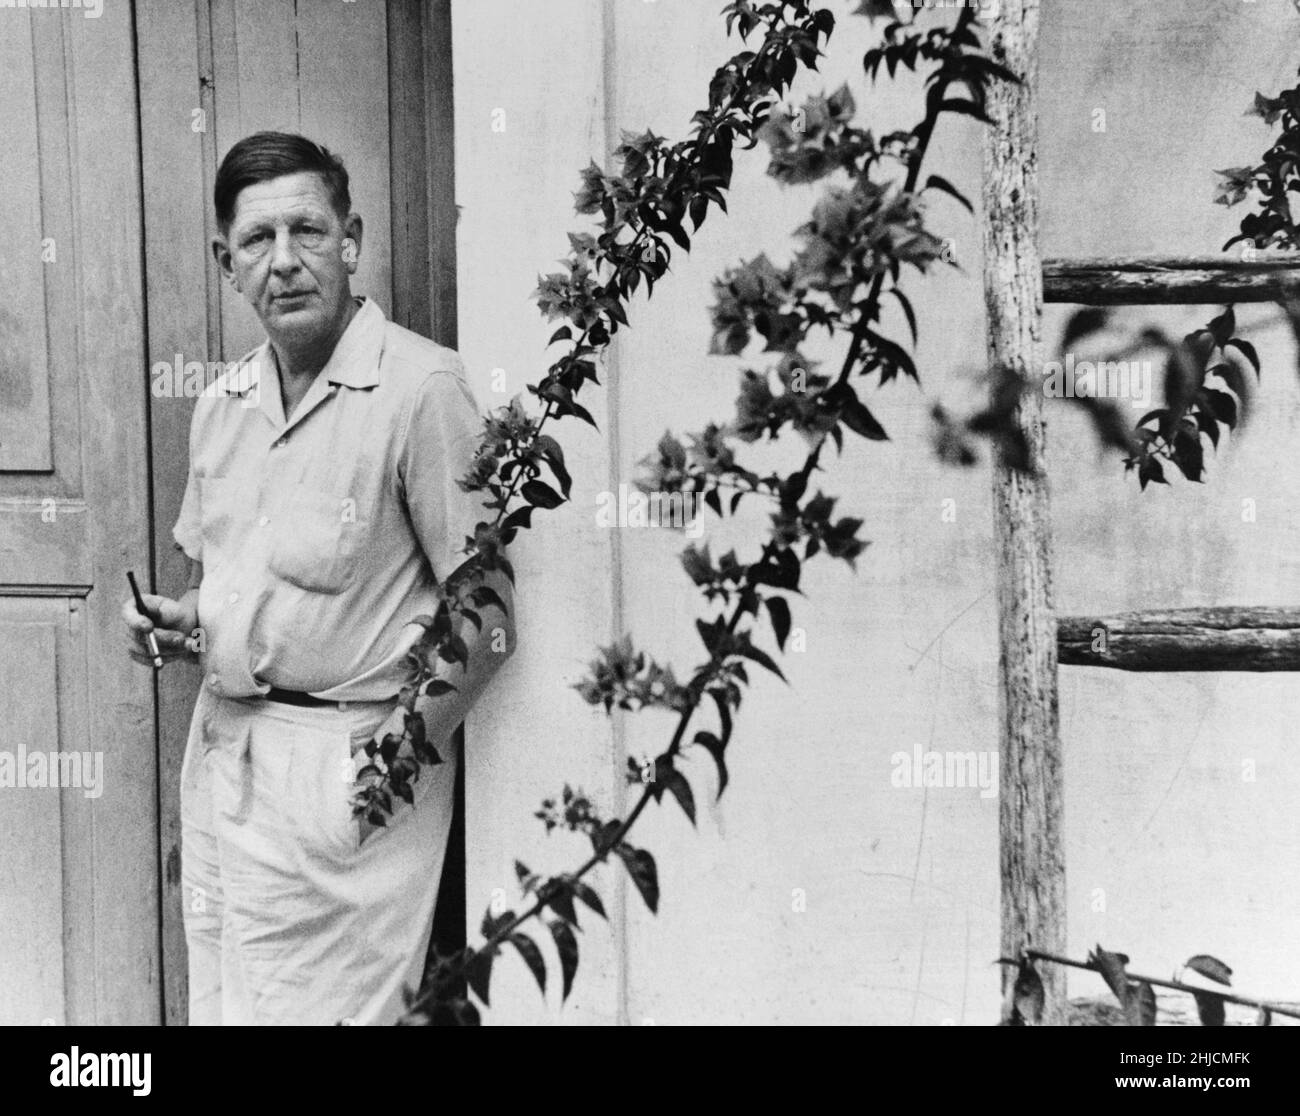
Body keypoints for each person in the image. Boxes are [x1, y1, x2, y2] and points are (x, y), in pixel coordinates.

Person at [121, 131, 514, 1025]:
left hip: (343, 780)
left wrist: (378, 782)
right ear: (227, 263)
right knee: (222, 1010)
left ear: (353, 239)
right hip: (223, 763)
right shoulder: (222, 405)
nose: (285, 261)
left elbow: (487, 620)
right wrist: (173, 623)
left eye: (308, 229)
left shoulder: (422, 390)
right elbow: (231, 593)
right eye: (257, 241)